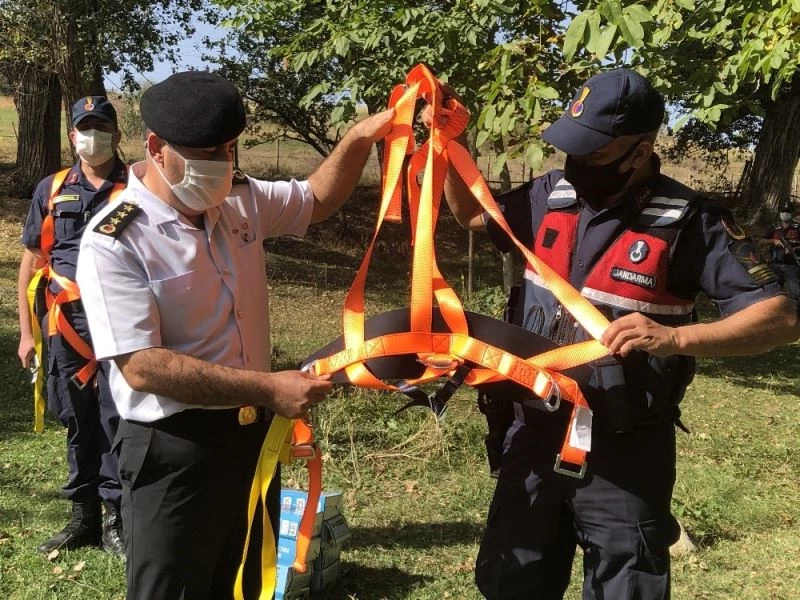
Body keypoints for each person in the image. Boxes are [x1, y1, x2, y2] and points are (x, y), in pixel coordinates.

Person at [439, 68, 799, 599]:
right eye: (574, 150)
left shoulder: (688, 222)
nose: (578, 165)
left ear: (641, 149)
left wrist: (678, 339)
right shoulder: (549, 194)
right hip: (533, 432)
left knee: (624, 587)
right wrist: (452, 142)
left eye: (594, 154)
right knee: (510, 580)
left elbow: (782, 316)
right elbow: (471, 214)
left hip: (624, 452)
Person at [75, 71, 394, 599]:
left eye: (229, 149)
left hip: (250, 437)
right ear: (156, 148)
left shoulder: (237, 199)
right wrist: (267, 388)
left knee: (247, 577)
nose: (222, 165)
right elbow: (142, 366)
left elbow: (315, 198)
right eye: (206, 153)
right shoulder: (116, 239)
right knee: (171, 589)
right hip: (173, 449)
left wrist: (360, 137)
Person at [17, 96, 127, 556]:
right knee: (76, 418)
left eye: (102, 127)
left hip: (123, 320)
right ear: (71, 136)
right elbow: (30, 263)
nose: (93, 136)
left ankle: (116, 520)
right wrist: (27, 331)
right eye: (85, 128)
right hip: (65, 323)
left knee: (117, 417)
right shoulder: (52, 187)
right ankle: (82, 517)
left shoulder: (139, 186)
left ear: (117, 135)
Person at [759, 205, 800, 306]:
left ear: (792, 214)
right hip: (775, 264)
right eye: (783, 212)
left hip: (792, 265)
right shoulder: (774, 227)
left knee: (796, 292)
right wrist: (774, 241)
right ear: (780, 213)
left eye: (788, 212)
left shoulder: (798, 227)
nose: (785, 214)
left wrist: (794, 249)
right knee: (772, 293)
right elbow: (761, 241)